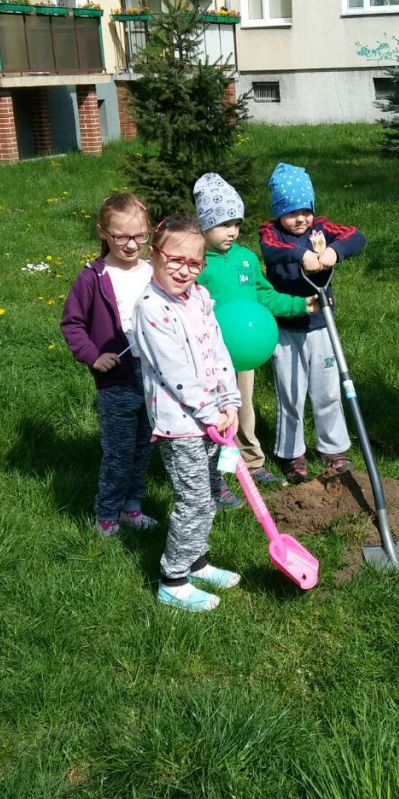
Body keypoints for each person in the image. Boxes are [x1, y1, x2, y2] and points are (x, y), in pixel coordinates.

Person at [133, 215, 242, 612]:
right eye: (174, 259)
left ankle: (197, 560)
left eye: (194, 263)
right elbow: (174, 370)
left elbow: (218, 349)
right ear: (154, 254)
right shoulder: (151, 307)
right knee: (193, 501)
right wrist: (211, 412)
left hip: (212, 418)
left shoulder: (197, 298)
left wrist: (230, 401)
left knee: (209, 493)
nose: (184, 270)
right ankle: (173, 579)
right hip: (181, 425)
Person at [192, 172, 319, 506]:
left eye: (235, 222)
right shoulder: (198, 263)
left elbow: (266, 296)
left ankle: (251, 462)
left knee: (243, 409)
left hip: (244, 354)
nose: (231, 231)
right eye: (222, 224)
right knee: (213, 418)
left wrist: (300, 305)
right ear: (204, 226)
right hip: (208, 357)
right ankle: (214, 477)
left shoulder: (247, 258)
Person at [259, 162, 366, 484]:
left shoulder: (321, 228)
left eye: (305, 210)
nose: (300, 219)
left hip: (322, 324)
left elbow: (356, 236)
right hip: (286, 328)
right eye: (291, 212)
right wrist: (301, 254)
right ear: (278, 212)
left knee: (328, 391)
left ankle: (333, 449)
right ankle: (292, 454)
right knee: (291, 393)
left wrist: (335, 251)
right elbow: (273, 251)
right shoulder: (271, 232)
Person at [61, 192, 157, 537]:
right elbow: (71, 324)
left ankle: (133, 508)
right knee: (118, 452)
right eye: (121, 237)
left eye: (139, 236)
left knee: (143, 448)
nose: (131, 245)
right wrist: (92, 355)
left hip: (153, 378)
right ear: (103, 232)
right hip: (116, 378)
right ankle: (106, 515)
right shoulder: (93, 277)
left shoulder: (153, 271)